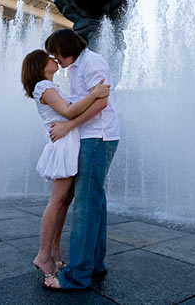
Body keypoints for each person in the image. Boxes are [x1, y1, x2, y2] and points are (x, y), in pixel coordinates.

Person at [20, 49, 110, 283]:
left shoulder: (51, 86)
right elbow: (68, 112)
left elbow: (69, 112)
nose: (54, 59)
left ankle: (55, 253)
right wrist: (96, 93)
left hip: (68, 143)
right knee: (57, 202)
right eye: (49, 57)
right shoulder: (43, 87)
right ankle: (43, 255)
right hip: (62, 145)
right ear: (40, 65)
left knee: (63, 202)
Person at [42, 29, 120, 290]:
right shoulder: (74, 68)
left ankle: (76, 276)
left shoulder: (93, 62)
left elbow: (101, 103)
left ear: (66, 47)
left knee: (85, 205)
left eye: (57, 53)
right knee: (94, 201)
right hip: (89, 136)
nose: (56, 58)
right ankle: (94, 266)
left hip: (97, 137)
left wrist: (66, 127)